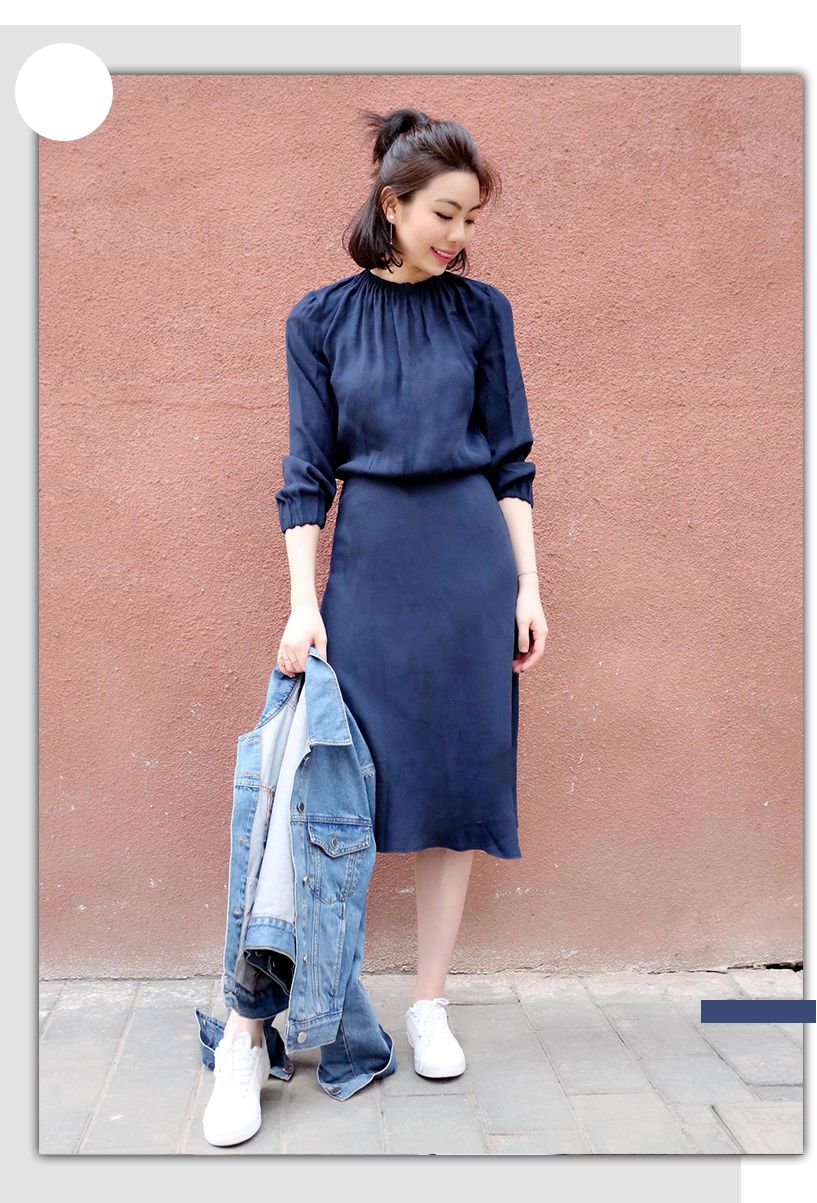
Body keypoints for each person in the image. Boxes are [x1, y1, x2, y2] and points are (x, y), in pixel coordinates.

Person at [209, 106, 548, 1130]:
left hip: (470, 572)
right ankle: (255, 1028)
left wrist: (528, 586)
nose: (460, 235)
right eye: (445, 213)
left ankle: (429, 1003)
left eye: (472, 218)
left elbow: (513, 460)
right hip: (367, 574)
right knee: (314, 789)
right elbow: (304, 473)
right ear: (391, 205)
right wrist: (301, 604)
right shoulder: (318, 318)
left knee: (455, 788)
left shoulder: (482, 312)